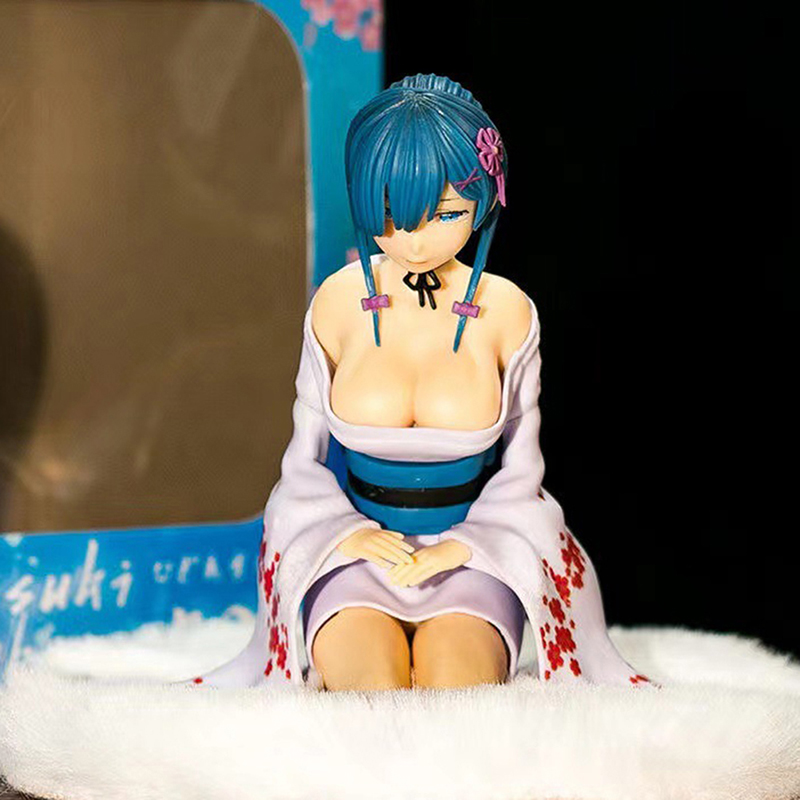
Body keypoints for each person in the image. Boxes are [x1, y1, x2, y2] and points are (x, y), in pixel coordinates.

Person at [190, 73, 652, 692]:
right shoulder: (337, 303)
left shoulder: (507, 311)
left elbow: (522, 470)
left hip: (473, 557)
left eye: (447, 213)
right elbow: (304, 461)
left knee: (457, 691)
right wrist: (346, 534)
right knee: (368, 691)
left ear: (486, 198)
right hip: (354, 552)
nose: (414, 240)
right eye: (390, 213)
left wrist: (470, 546)